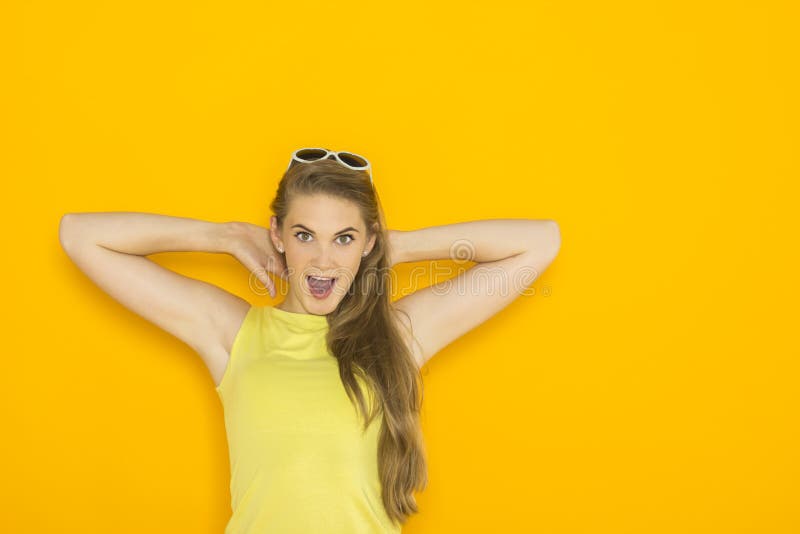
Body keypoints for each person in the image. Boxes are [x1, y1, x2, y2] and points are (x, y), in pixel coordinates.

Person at [58, 147, 561, 533]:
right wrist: (224, 235)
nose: (323, 261)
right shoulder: (234, 332)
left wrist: (394, 245)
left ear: (366, 241)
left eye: (343, 237)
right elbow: (80, 235)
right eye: (305, 235)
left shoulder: (399, 334)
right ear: (276, 235)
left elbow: (540, 242)